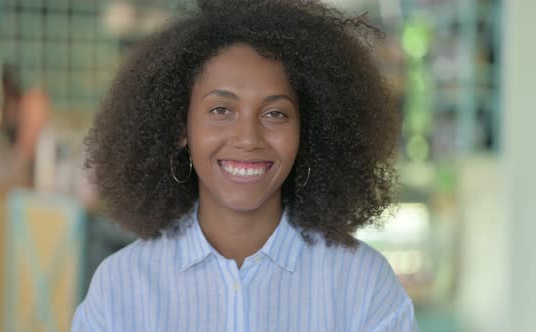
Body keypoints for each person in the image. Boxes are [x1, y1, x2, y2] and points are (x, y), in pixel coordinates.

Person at [72, 0, 418, 331]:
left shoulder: (363, 284)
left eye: (275, 113)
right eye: (221, 110)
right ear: (181, 127)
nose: (248, 138)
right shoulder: (122, 285)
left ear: (307, 131)